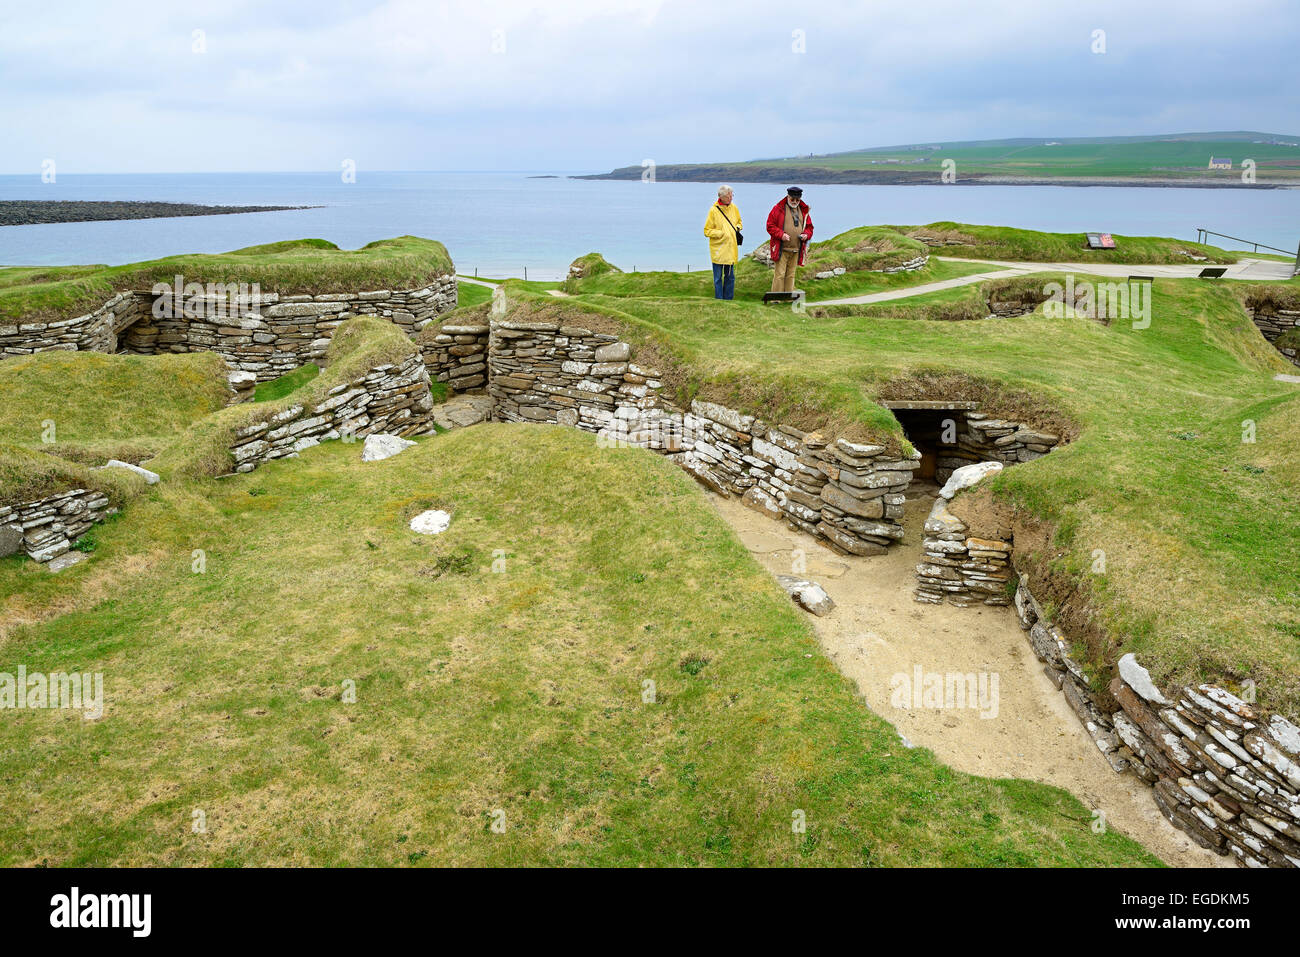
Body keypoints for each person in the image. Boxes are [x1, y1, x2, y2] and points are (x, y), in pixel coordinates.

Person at [766, 186, 813, 294]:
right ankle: (776, 299)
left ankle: (788, 297)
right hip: (782, 247)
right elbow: (770, 226)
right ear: (788, 196)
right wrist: (781, 235)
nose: (795, 202)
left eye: (797, 200)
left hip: (796, 248)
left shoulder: (804, 211)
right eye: (792, 199)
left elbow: (809, 228)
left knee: (791, 275)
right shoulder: (778, 209)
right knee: (780, 274)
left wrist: (806, 235)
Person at [703, 185, 743, 300]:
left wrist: (738, 227)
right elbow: (707, 231)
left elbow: (739, 221)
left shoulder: (734, 208)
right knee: (718, 278)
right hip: (718, 250)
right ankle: (719, 300)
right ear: (721, 197)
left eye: (732, 195)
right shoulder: (713, 210)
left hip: (730, 249)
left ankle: (728, 300)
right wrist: (721, 234)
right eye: (728, 196)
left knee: (730, 277)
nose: (731, 198)